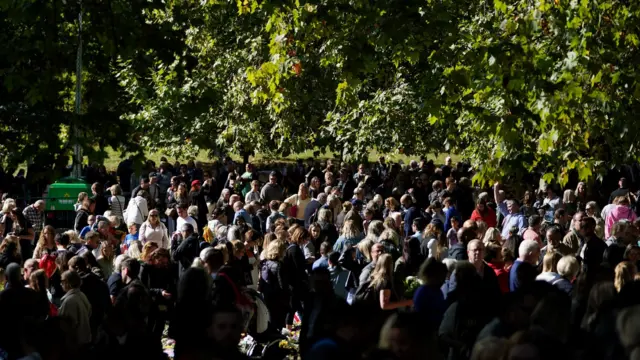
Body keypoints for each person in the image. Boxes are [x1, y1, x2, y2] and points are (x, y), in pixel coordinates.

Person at [259, 240, 289, 330]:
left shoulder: (265, 263)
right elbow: (282, 284)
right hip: (278, 298)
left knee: (271, 321)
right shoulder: (279, 265)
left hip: (267, 296)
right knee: (279, 323)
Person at [59, 270, 92, 351]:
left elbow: (67, 324)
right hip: (85, 339)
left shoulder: (69, 301)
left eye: (62, 281)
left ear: (67, 282)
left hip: (76, 344)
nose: (61, 284)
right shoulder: (81, 294)